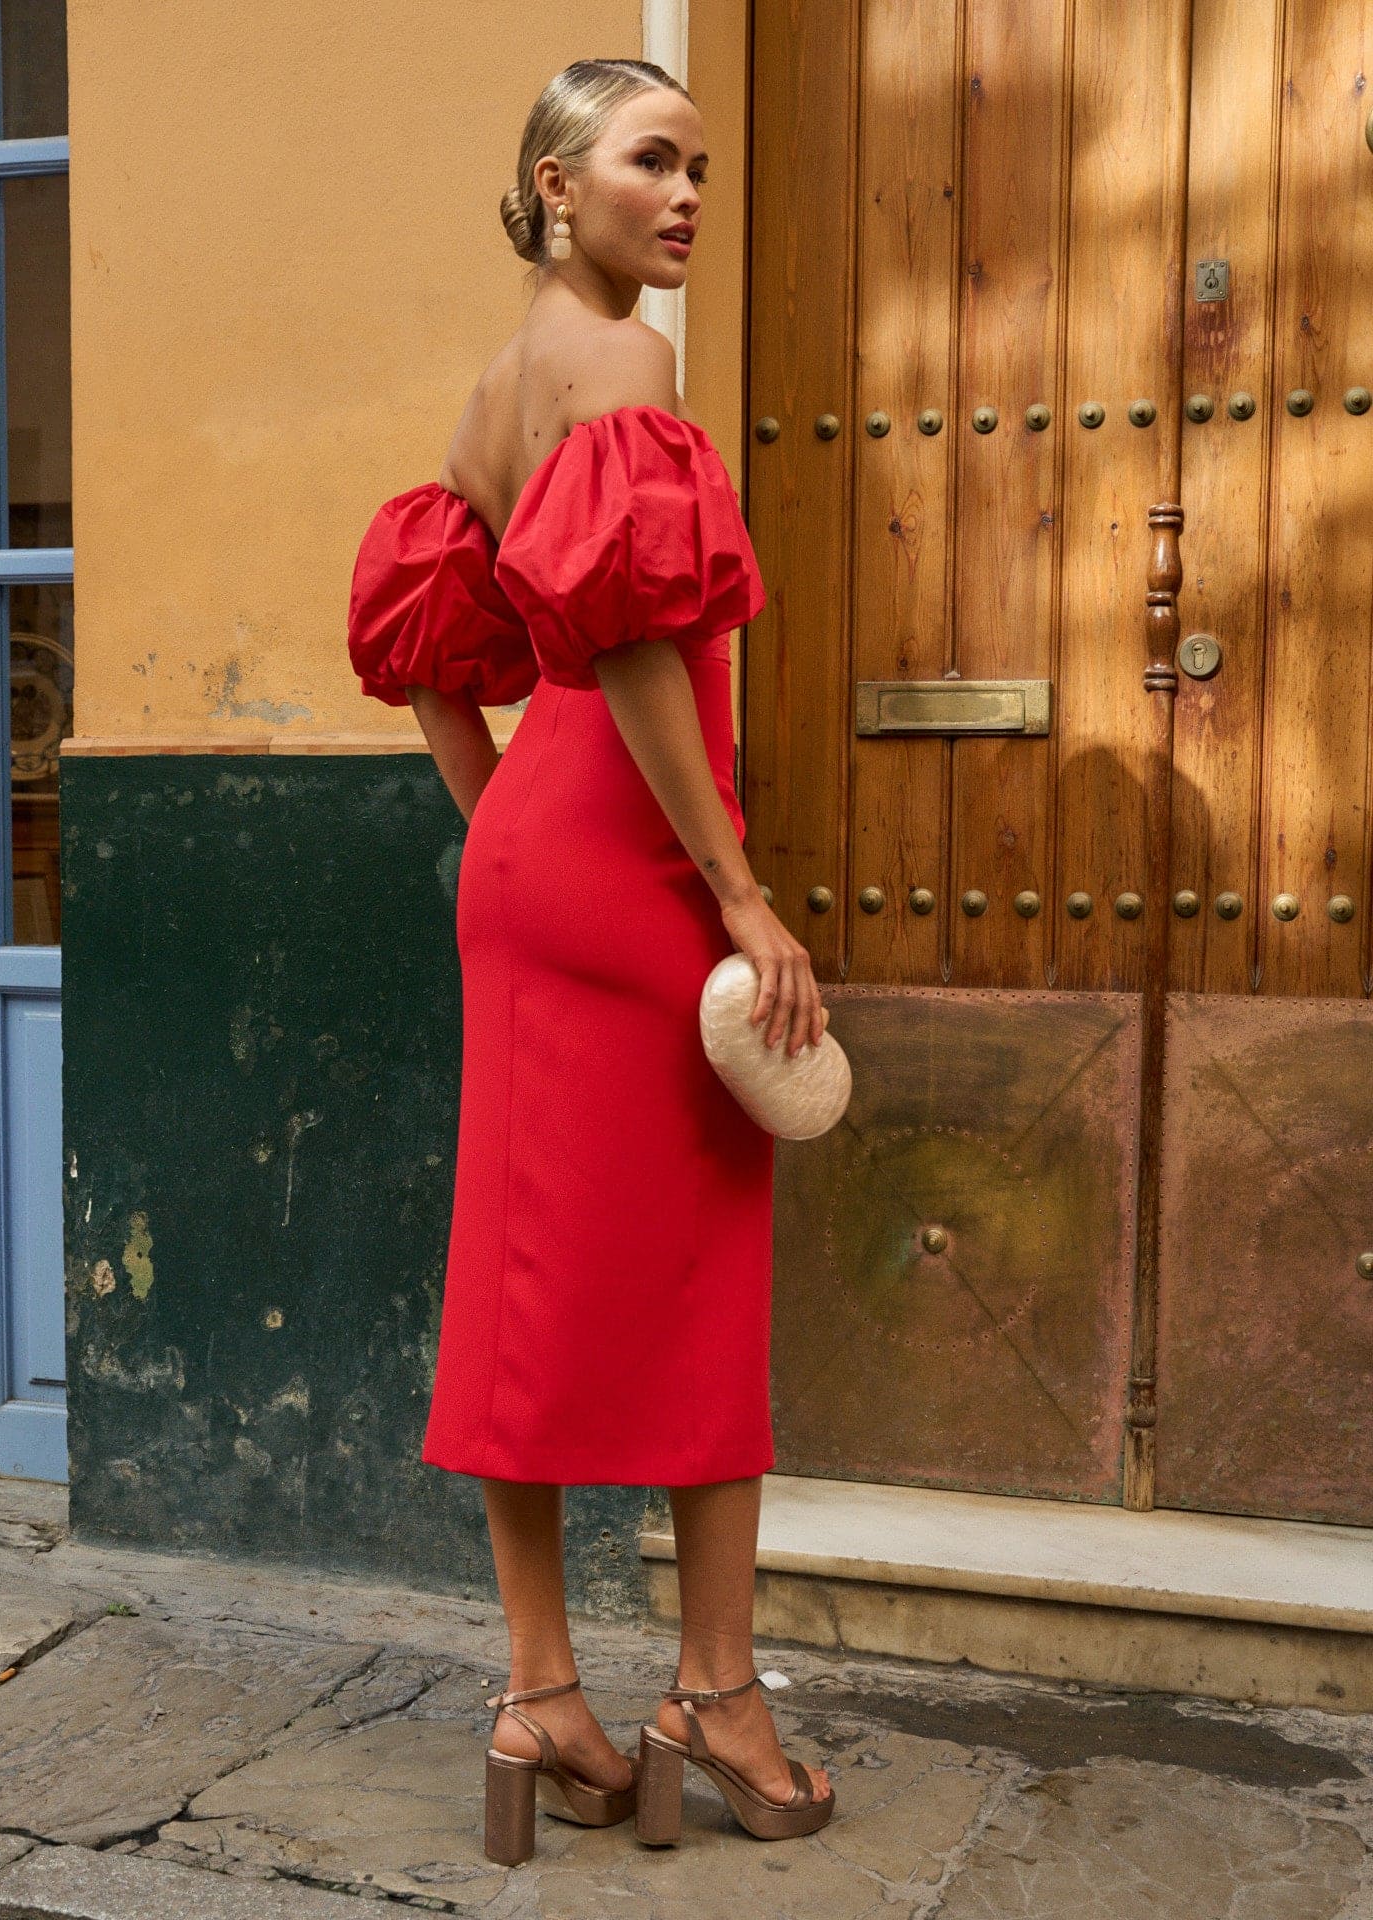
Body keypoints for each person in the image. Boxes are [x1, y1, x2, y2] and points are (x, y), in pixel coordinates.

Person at [346, 58, 835, 1864]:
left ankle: (542, 1689)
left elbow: (420, 639)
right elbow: (633, 647)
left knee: (528, 1260)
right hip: (629, 858)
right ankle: (717, 1697)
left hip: (537, 856)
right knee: (705, 1267)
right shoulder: (623, 362)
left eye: (701, 164)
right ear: (559, 184)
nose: (688, 192)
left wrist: (497, 829)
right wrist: (738, 892)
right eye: (653, 162)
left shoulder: (504, 380)